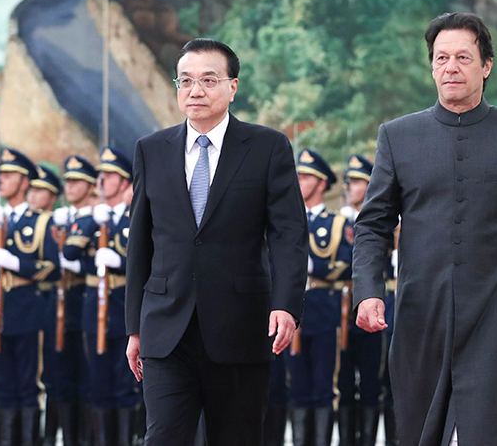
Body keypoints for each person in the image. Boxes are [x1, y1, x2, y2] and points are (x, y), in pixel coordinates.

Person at [351, 12, 497, 446]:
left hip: (493, 317)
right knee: (419, 431)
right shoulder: (397, 136)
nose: (450, 67)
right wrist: (369, 291)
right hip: (420, 316)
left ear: (486, 65)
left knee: (489, 432)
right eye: (441, 58)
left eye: (463, 57)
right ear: (431, 66)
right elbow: (373, 225)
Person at [124, 38, 309, 446]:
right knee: (163, 437)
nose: (196, 91)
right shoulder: (151, 150)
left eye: (208, 80)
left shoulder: (267, 147)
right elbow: (140, 244)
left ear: (232, 87)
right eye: (186, 81)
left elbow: (288, 235)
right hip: (166, 328)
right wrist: (134, 327)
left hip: (240, 326)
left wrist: (286, 304)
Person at [0, 148, 60, 445]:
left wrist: (16, 264)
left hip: (28, 310)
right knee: (2, 386)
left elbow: (52, 269)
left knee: (28, 386)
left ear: (25, 181)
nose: (1, 180)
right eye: (0, 174)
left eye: (9, 175)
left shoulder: (41, 221)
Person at [64, 146, 139, 444]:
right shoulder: (96, 219)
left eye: (110, 175)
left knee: (124, 385)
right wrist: (94, 221)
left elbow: (149, 262)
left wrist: (120, 261)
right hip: (94, 307)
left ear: (125, 182)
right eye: (101, 175)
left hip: (123, 305)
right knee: (97, 385)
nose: (102, 181)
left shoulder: (135, 217)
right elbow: (71, 251)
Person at [285, 149, 352, 446]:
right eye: (298, 176)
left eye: (306, 177)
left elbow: (349, 262)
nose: (299, 181)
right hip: (291, 311)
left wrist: (316, 267)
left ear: (322, 183)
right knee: (296, 387)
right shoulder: (286, 221)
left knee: (325, 387)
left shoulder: (337, 223)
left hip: (324, 309)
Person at [44, 155, 98, 446]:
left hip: (84, 302)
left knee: (87, 379)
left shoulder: (94, 220)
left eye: (77, 181)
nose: (70, 187)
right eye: (68, 181)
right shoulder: (64, 220)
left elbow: (78, 257)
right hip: (60, 307)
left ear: (91, 186)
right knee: (61, 378)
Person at [337, 154, 382, 446]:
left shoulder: (385, 222)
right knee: (342, 380)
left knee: (371, 379)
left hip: (375, 304)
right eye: (350, 182)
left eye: (357, 182)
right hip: (341, 308)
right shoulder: (337, 223)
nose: (351, 187)